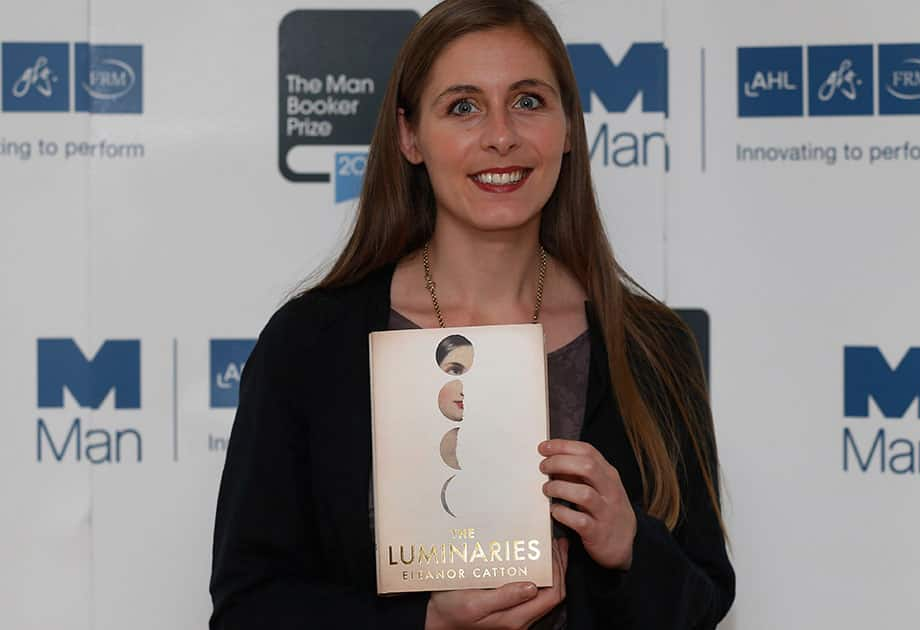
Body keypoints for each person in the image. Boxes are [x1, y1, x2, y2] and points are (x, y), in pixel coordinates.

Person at [209, 0, 735, 628]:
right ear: (409, 137)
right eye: (463, 106)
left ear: (568, 127)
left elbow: (705, 604)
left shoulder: (654, 347)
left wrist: (630, 547)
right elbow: (248, 608)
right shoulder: (311, 345)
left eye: (528, 101)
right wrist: (425, 626)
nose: (500, 135)